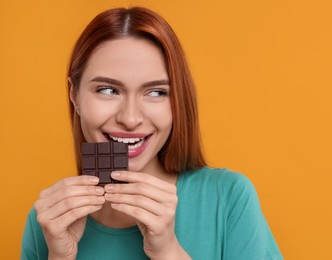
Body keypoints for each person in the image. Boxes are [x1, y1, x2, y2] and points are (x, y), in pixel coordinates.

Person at [21, 6, 283, 260]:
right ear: (74, 95)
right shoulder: (47, 220)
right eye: (108, 90)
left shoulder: (227, 198)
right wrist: (59, 256)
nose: (130, 119)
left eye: (156, 92)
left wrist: (168, 252)